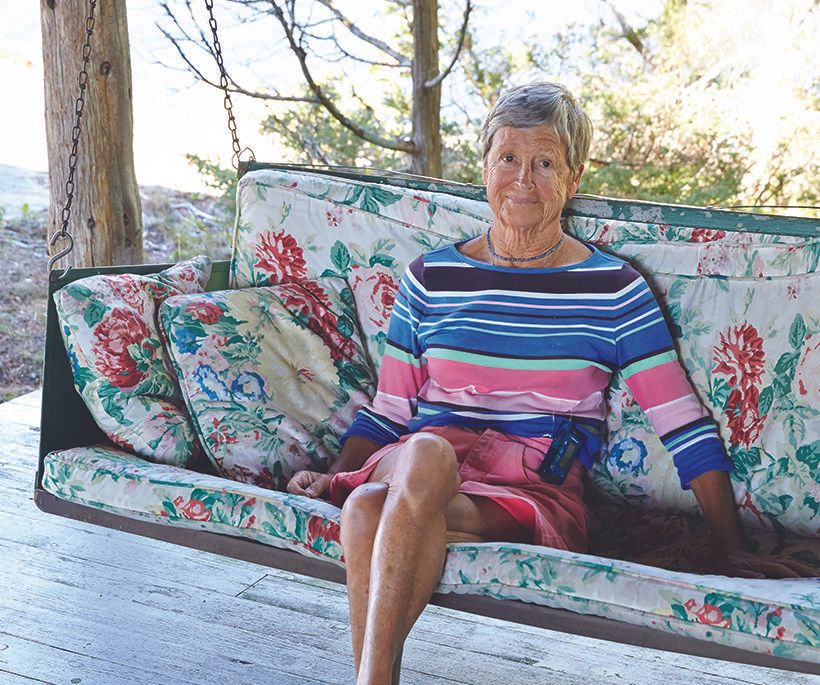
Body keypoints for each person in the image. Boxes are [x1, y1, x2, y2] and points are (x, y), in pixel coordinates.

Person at [286, 82, 814, 685]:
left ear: (573, 176)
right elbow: (388, 412)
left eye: (544, 164)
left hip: (529, 489)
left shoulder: (613, 289)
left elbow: (682, 424)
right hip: (414, 462)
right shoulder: (429, 279)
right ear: (484, 165)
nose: (522, 180)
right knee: (421, 454)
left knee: (366, 509)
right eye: (508, 158)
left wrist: (727, 544)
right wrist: (336, 470)